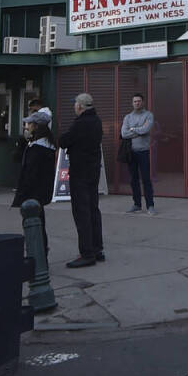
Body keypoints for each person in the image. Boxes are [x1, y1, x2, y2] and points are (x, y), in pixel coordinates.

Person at [57, 93, 105, 268]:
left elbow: (63, 141)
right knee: (93, 208)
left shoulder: (80, 123)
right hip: (93, 170)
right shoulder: (97, 121)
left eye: (75, 104)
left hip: (80, 171)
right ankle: (97, 248)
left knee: (81, 211)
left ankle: (87, 252)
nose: (74, 107)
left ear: (81, 106)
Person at [12, 114, 57, 256]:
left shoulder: (37, 148)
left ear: (36, 126)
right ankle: (40, 252)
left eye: (29, 124)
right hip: (40, 192)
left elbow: (29, 171)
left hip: (32, 193)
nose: (26, 126)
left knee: (33, 224)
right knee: (38, 223)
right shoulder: (45, 145)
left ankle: (37, 254)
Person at [120, 93, 156, 215]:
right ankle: (137, 204)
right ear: (132, 103)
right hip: (131, 152)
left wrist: (133, 129)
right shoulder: (128, 117)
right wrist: (139, 130)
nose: (137, 103)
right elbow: (124, 134)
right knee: (133, 179)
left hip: (143, 151)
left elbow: (146, 130)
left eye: (139, 101)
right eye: (135, 101)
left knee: (146, 179)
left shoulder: (148, 115)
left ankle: (150, 205)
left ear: (143, 102)